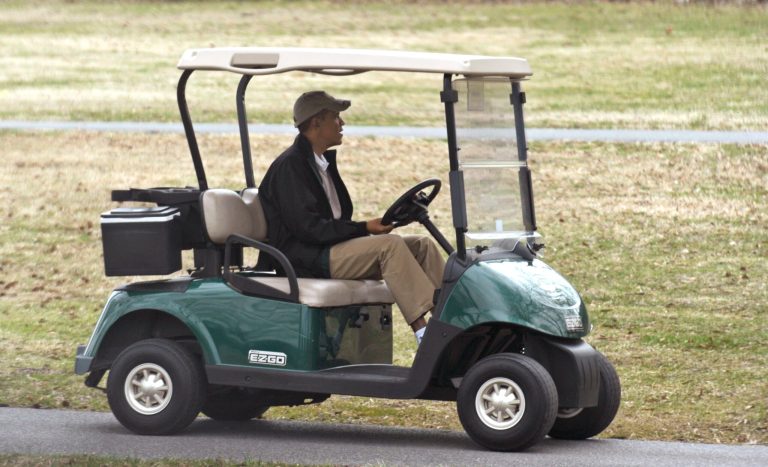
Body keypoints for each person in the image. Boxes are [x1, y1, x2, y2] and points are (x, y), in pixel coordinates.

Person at [258, 90, 445, 344]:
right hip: (307, 258)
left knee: (421, 246)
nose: (342, 123)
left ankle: (451, 320)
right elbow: (309, 229)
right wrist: (363, 227)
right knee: (389, 246)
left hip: (329, 250)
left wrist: (367, 227)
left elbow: (332, 221)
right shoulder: (291, 166)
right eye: (335, 117)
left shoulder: (320, 163)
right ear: (316, 123)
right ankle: (426, 335)